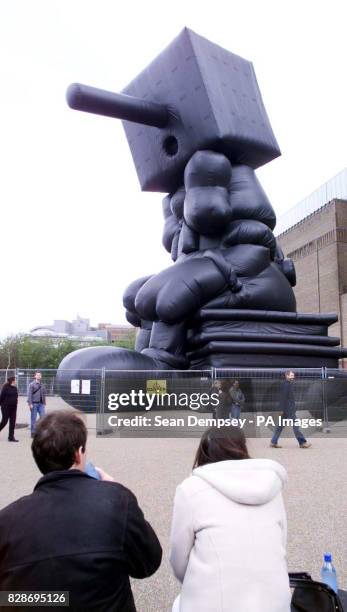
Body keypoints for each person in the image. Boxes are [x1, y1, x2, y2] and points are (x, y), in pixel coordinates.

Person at [0, 410, 162, 612]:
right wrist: (119, 491)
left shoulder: (6, 521)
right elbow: (148, 563)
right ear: (78, 453)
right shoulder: (116, 501)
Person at [170, 426, 291, 612]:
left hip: (215, 604)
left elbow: (179, 559)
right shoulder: (271, 487)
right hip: (276, 604)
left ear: (204, 452)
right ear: (243, 448)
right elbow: (281, 544)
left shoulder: (190, 488)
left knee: (180, 603)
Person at [270, 370, 311, 449]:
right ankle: (302, 442)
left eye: (293, 375)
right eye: (291, 375)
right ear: (287, 376)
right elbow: (283, 398)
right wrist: (281, 409)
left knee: (280, 426)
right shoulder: (286, 385)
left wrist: (282, 409)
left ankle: (273, 442)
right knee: (296, 426)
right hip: (289, 409)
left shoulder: (288, 384)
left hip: (287, 409)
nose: (293, 377)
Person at [0, 376, 19, 442]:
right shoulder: (5, 387)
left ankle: (11, 437)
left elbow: (16, 397)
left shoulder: (15, 388)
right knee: (4, 421)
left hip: (13, 408)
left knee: (12, 422)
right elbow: (1, 397)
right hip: (5, 407)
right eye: (15, 380)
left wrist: (16, 404)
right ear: (12, 381)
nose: (16, 381)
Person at [27, 371, 46, 437]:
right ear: (35, 376)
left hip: (41, 404)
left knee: (43, 417)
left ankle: (41, 431)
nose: (39, 376)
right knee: (33, 418)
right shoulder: (32, 384)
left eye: (40, 375)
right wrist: (30, 404)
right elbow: (29, 395)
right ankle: (33, 432)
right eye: (37, 375)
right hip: (34, 404)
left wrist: (44, 403)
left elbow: (44, 394)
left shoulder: (42, 385)